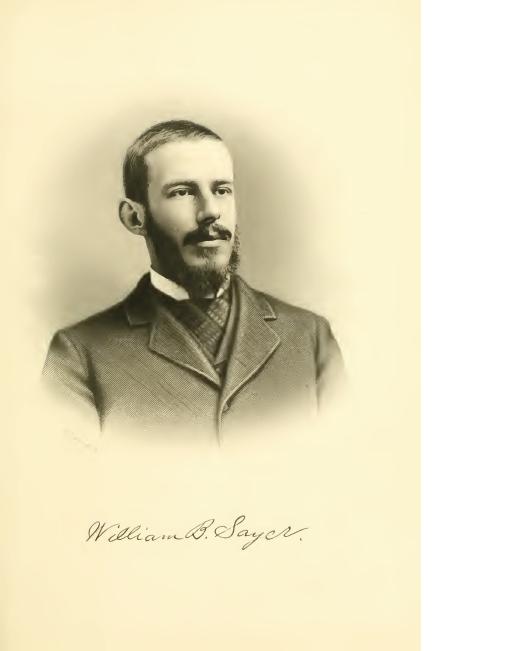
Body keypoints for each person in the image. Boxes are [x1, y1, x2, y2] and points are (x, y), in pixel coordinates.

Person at [43, 120, 344, 440]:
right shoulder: (79, 357)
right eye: (182, 192)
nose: (210, 211)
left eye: (222, 190)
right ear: (135, 217)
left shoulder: (311, 338)